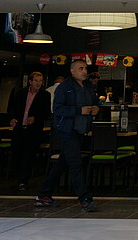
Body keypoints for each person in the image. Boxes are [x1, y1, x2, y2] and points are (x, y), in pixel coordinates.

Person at [35, 59, 99, 212]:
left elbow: (95, 101)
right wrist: (79, 110)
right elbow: (57, 109)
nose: (84, 71)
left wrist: (96, 108)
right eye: (81, 68)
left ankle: (44, 194)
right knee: (76, 162)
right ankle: (84, 198)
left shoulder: (88, 86)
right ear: (72, 70)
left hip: (81, 129)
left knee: (63, 162)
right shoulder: (64, 87)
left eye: (85, 68)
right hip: (67, 130)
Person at [8, 71, 51, 191]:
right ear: (30, 81)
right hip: (19, 128)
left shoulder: (45, 95)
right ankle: (18, 177)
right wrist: (12, 118)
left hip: (34, 129)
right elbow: (12, 108)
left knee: (28, 154)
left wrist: (35, 118)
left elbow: (46, 112)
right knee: (17, 153)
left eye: (40, 81)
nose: (38, 83)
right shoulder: (20, 93)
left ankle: (23, 180)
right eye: (36, 81)